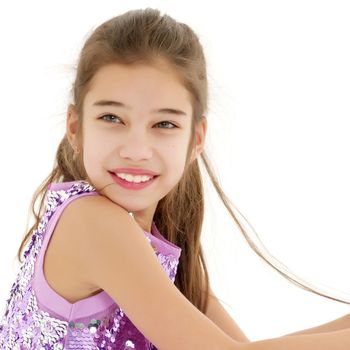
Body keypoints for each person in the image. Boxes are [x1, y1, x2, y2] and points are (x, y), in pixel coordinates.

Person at [1, 7, 350, 350]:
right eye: (111, 117)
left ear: (196, 139)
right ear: (75, 127)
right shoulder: (91, 222)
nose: (136, 149)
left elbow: (242, 347)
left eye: (164, 124)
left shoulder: (152, 244)